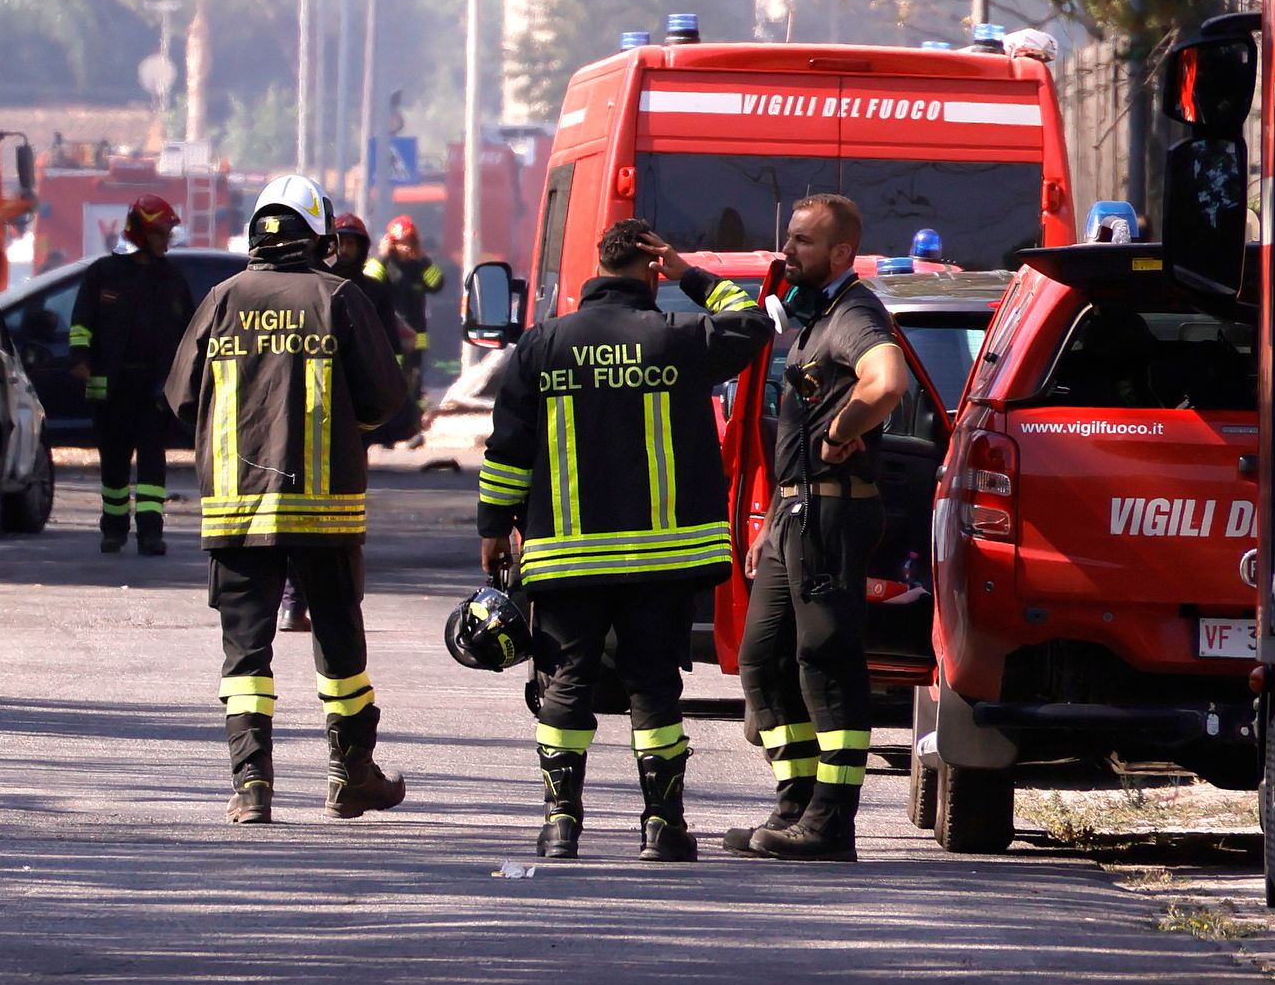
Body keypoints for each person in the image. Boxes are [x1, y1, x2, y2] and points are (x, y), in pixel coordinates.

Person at [478, 219, 770, 860]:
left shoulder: (543, 344)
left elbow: (508, 450)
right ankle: (662, 826)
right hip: (660, 562)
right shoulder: (678, 337)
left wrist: (495, 527)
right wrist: (689, 273)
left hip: (566, 556)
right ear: (650, 265)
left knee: (566, 683)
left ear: (598, 264)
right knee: (654, 687)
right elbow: (753, 323)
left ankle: (560, 825)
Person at [166, 176, 408, 825]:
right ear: (320, 236)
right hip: (324, 508)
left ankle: (252, 789)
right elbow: (386, 399)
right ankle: (350, 774)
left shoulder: (220, 301)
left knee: (245, 654)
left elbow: (181, 398)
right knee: (338, 644)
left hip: (236, 509)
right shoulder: (340, 299)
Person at [727, 192, 914, 861]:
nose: (788, 251)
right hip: (793, 513)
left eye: (803, 242)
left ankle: (832, 821)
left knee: (827, 663)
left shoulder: (855, 313)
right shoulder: (813, 318)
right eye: (790, 238)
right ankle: (795, 805)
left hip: (832, 513)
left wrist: (842, 430)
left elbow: (886, 381)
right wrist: (771, 520)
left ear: (840, 252)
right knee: (762, 661)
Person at [70, 195, 195, 556]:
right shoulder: (102, 275)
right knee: (114, 461)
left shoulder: (171, 280)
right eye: (160, 232)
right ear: (141, 232)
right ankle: (113, 530)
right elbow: (81, 324)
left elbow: (189, 331)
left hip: (155, 390)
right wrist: (80, 357)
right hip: (111, 387)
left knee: (154, 461)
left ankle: (150, 533)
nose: (166, 240)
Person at [327, 213, 416, 449]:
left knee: (357, 447)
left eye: (350, 244)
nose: (345, 249)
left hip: (362, 378)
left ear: (361, 248)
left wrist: (392, 379)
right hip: (328, 375)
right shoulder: (320, 285)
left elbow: (389, 338)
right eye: (340, 243)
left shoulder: (374, 290)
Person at [364, 215, 448, 396]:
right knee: (392, 380)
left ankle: (415, 416)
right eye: (402, 242)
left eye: (410, 242)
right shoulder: (382, 264)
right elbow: (368, 284)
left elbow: (437, 284)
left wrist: (423, 260)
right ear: (391, 243)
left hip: (416, 336)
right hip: (389, 335)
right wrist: (382, 257)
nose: (407, 247)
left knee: (414, 383)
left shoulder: (420, 266)